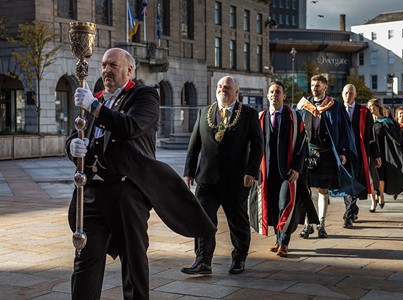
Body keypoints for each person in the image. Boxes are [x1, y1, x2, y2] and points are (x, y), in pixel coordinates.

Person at [66, 48, 215, 299]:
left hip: (127, 191)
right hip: (91, 192)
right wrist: (72, 147)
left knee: (133, 261)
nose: (106, 70)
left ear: (129, 70)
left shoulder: (144, 96)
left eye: (113, 65)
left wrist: (93, 106)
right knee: (84, 259)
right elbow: (77, 134)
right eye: (103, 65)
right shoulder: (98, 99)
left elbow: (129, 127)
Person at [182, 75, 263, 275]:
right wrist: (189, 172)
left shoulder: (248, 114)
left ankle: (239, 259)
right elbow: (194, 145)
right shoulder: (204, 112)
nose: (222, 90)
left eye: (227, 87)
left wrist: (251, 171)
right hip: (206, 179)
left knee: (238, 222)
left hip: (235, 180)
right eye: (219, 86)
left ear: (236, 92)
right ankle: (203, 260)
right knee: (202, 220)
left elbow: (258, 146)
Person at [297, 75, 359, 237]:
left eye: (318, 86)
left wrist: (343, 152)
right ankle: (307, 225)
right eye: (312, 85)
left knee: (323, 190)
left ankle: (321, 225)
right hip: (307, 152)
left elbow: (345, 131)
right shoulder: (303, 105)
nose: (314, 88)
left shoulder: (334, 106)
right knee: (306, 191)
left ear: (325, 88)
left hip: (326, 153)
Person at [256, 81, 307, 257]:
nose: (274, 95)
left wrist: (297, 168)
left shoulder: (294, 116)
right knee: (273, 206)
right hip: (267, 172)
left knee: (284, 203)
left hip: (287, 172)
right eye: (271, 92)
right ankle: (278, 240)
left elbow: (302, 145)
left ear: (284, 96)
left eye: (278, 92)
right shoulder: (261, 117)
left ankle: (284, 243)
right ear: (267, 95)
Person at [367, 99, 403, 212]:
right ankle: (372, 201)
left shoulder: (386, 122)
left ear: (377, 107)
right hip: (369, 151)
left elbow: (397, 136)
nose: (370, 108)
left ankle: (380, 195)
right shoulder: (367, 121)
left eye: (372, 106)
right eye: (369, 106)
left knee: (380, 176)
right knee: (370, 178)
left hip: (382, 152)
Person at [341, 84, 381, 226]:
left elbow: (371, 136)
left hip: (359, 152)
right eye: (346, 93)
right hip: (343, 153)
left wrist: (376, 155)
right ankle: (351, 211)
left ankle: (348, 215)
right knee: (347, 184)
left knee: (354, 182)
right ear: (342, 94)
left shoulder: (364, 111)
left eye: (351, 93)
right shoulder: (338, 110)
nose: (348, 95)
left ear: (355, 95)